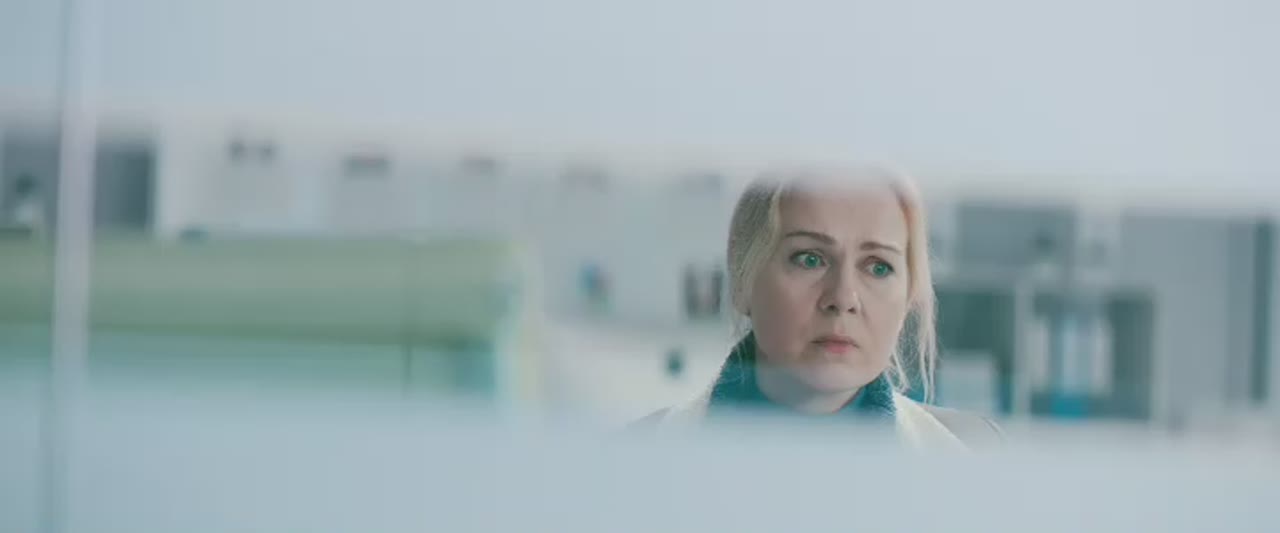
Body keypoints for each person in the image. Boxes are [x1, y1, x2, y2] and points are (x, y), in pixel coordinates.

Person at [635, 167, 1002, 450]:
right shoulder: (637, 455)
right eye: (810, 259)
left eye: (878, 267)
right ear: (743, 279)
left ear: (908, 297)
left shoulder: (971, 457)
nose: (842, 297)